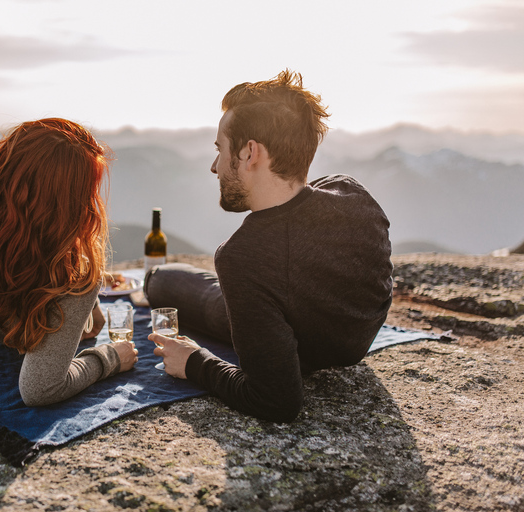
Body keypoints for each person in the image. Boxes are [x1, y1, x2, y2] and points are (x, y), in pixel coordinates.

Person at [146, 70, 393, 422]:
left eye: (221, 149)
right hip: (350, 344)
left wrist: (193, 362)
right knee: (168, 281)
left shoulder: (243, 257)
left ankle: (153, 280)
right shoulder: (352, 193)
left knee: (161, 282)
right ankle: (157, 280)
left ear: (250, 153)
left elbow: (275, 400)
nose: (214, 166)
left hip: (284, 333)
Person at [0, 118, 138, 406]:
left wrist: (87, 309)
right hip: (13, 334)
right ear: (69, 202)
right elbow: (40, 390)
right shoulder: (72, 278)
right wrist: (111, 357)